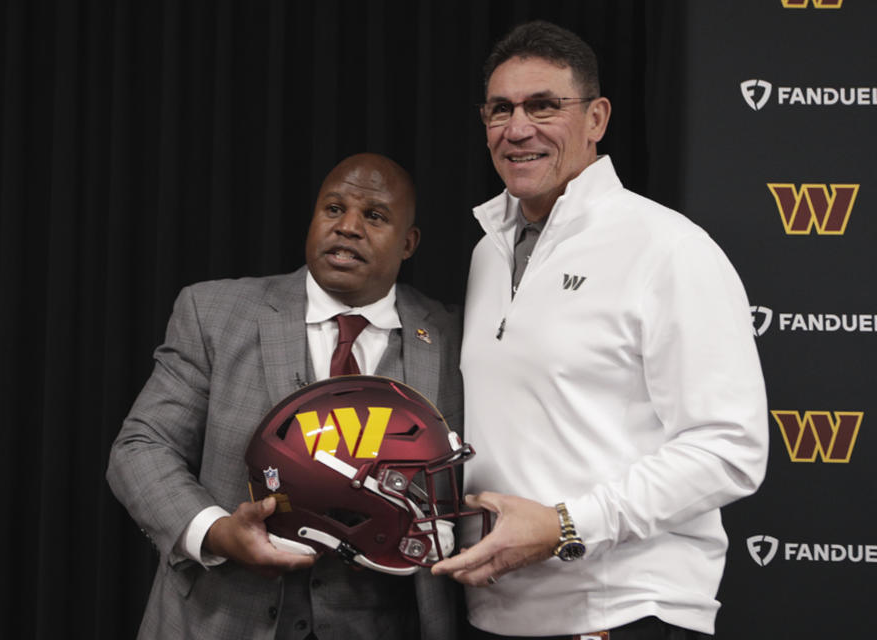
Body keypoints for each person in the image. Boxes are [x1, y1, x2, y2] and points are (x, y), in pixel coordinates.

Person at [431, 21, 768, 640]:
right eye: (499, 109)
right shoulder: (488, 253)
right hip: (494, 614)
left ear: (596, 118)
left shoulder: (666, 247)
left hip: (627, 612)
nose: (518, 128)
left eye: (543, 106)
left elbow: (730, 449)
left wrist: (566, 524)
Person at [107, 153, 464, 639]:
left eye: (374, 216)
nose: (348, 227)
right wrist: (215, 531)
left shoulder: (452, 337)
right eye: (333, 209)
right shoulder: (213, 312)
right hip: (221, 620)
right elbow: (141, 447)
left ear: (409, 243)